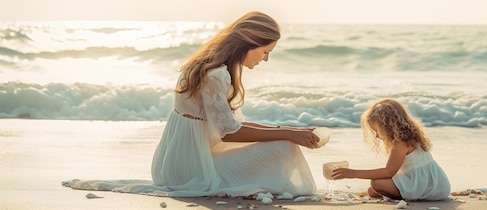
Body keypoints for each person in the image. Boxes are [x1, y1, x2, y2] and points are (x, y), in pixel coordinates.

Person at [63, 11, 319, 197]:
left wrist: (287, 131)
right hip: (190, 171)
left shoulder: (207, 65)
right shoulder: (217, 74)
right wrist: (288, 134)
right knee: (283, 148)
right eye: (266, 51)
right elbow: (229, 133)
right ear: (250, 43)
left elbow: (232, 125)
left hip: (176, 162)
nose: (265, 59)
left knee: (282, 141)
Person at [331, 98, 450, 201]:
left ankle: (409, 195)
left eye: (377, 131)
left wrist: (352, 173)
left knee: (376, 183)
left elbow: (389, 172)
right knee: (372, 191)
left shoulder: (401, 143)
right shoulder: (411, 137)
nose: (377, 136)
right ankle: (398, 192)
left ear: (387, 126)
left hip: (426, 187)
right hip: (437, 185)